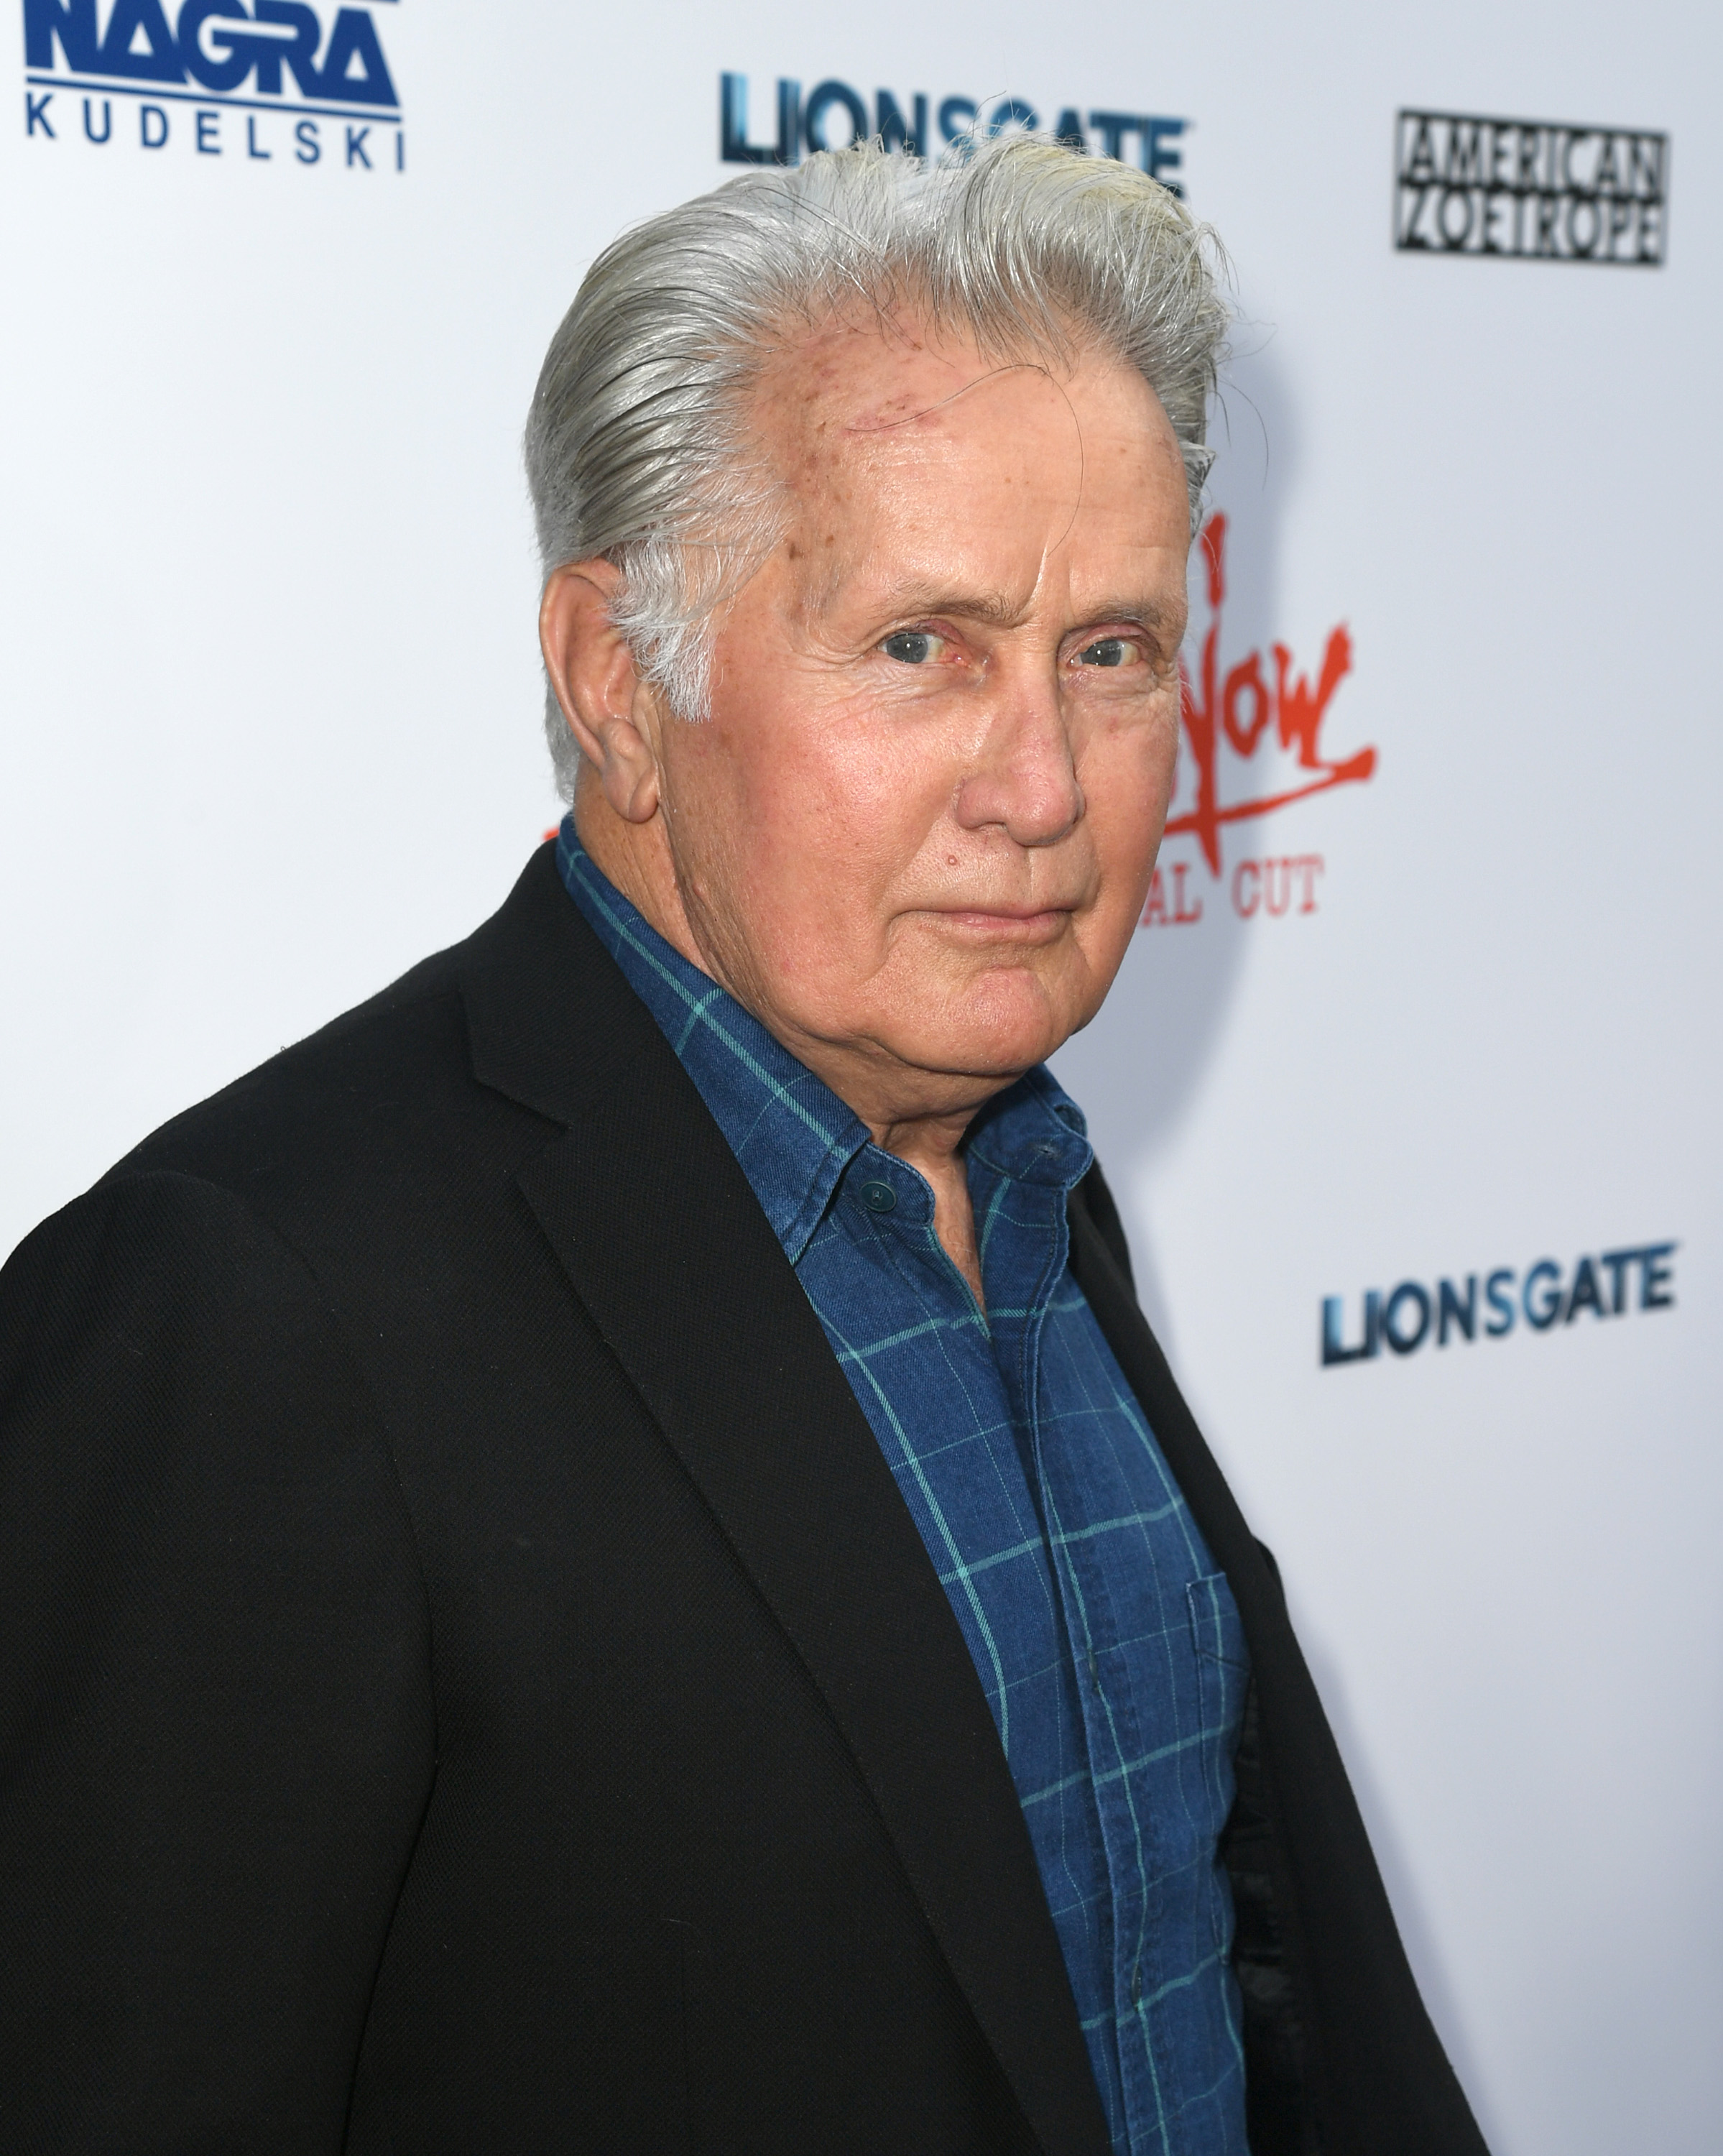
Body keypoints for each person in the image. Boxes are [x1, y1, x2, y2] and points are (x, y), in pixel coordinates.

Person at [0, 140, 1488, 2155]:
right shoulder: (250, 1304)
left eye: (1113, 653)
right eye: (921, 649)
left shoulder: (1023, 1184)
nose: (1043, 788)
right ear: (622, 684)